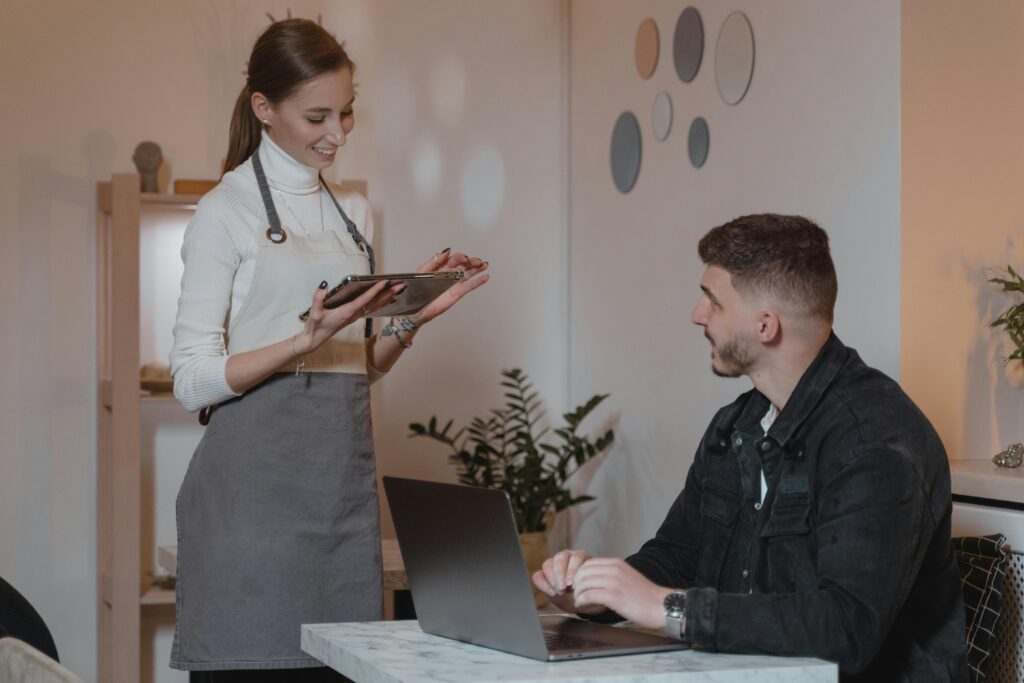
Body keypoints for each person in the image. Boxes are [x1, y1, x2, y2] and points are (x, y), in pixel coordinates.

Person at [168, 18, 488, 681]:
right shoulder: (224, 214)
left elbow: (351, 370)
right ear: (264, 108)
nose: (337, 134)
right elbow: (191, 379)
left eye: (346, 113)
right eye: (317, 116)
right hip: (249, 525)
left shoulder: (351, 220)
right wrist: (300, 339)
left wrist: (410, 319)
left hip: (338, 516)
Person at [535, 214, 966, 682]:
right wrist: (599, 592)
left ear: (765, 326)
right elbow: (677, 556)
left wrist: (668, 608)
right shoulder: (736, 425)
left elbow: (846, 629)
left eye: (713, 301)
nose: (697, 314)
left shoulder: (876, 442)